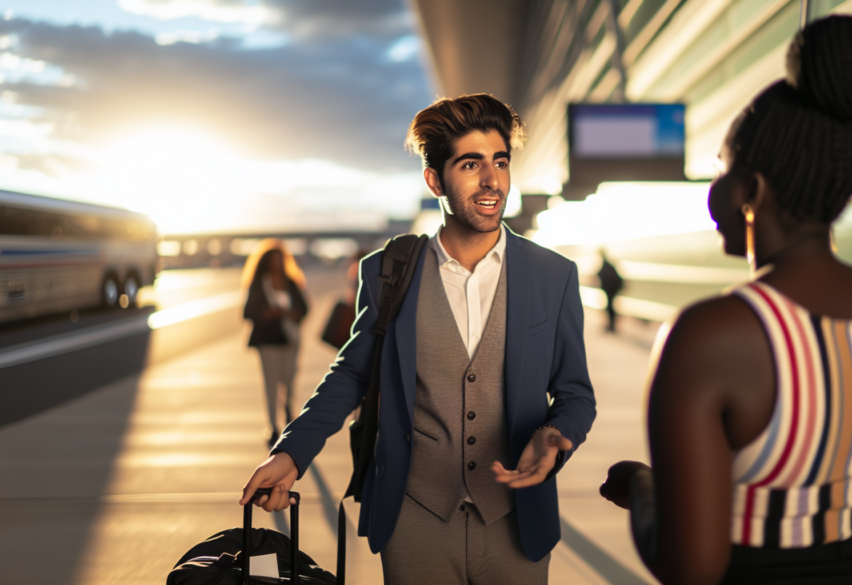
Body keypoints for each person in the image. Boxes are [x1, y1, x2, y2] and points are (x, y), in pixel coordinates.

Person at [599, 16, 852, 585]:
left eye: (720, 170)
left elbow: (693, 567)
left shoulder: (711, 335)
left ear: (750, 191)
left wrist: (643, 488)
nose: (713, 191)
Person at [240, 93, 596, 584]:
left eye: (500, 162)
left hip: (517, 522)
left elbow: (576, 393)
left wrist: (556, 437)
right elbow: (352, 372)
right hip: (415, 519)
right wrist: (291, 452)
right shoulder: (390, 273)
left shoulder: (552, 275)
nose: (492, 180)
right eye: (471, 164)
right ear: (435, 180)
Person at [242, 239, 309, 448]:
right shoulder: (259, 283)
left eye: (280, 260)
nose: (277, 264)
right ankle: (272, 426)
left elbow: (305, 308)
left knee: (289, 377)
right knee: (270, 383)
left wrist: (291, 312)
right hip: (268, 339)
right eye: (273, 260)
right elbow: (247, 312)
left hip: (290, 338)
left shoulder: (291, 282)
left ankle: (289, 409)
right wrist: (267, 314)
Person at [597, 251, 624, 333]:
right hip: (612, 288)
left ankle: (612, 326)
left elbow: (602, 274)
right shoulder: (608, 264)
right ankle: (611, 325)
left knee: (610, 307)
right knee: (610, 306)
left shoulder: (605, 264)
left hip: (611, 288)